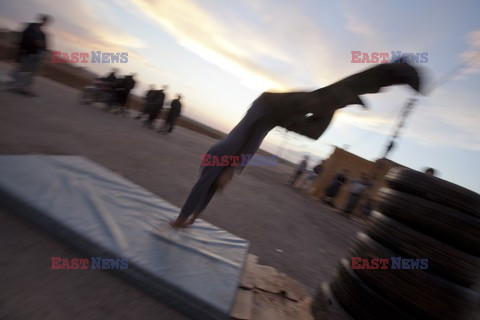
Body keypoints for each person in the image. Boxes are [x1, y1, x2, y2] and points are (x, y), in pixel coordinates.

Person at [169, 61, 422, 228]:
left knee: (319, 99)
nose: (225, 182)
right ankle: (343, 99)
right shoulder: (230, 162)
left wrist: (182, 218)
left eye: (222, 180)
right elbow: (211, 186)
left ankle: (391, 72)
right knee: (314, 130)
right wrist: (194, 217)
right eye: (224, 180)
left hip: (269, 104)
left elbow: (205, 185)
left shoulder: (223, 154)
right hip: (277, 116)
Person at [11, 14, 51, 96]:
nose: (44, 23)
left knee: (30, 72)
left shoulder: (42, 33)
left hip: (35, 55)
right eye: (44, 21)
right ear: (42, 20)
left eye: (46, 21)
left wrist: (43, 51)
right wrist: (35, 43)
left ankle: (26, 88)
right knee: (22, 70)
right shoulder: (31, 27)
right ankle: (17, 85)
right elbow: (26, 39)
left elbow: (44, 45)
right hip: (28, 53)